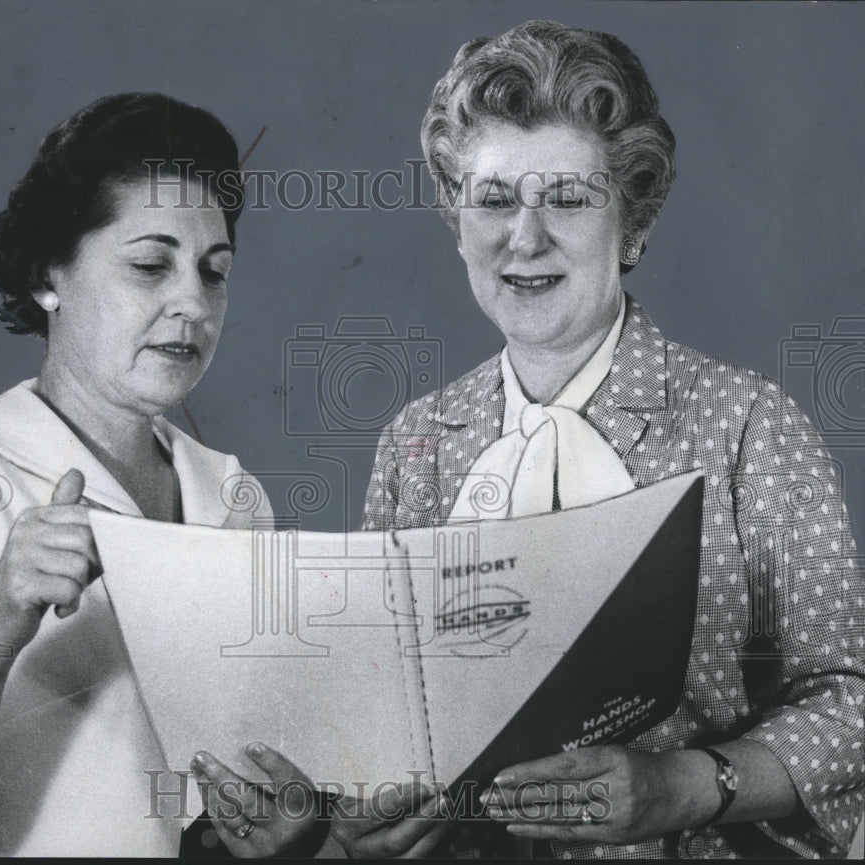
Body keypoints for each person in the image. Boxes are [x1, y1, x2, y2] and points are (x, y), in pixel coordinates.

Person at [343, 20, 865, 859]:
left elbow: (851, 703)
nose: (526, 236)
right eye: (495, 198)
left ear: (635, 220)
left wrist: (681, 786)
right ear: (456, 220)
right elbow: (378, 714)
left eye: (568, 199)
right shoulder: (416, 444)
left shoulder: (749, 428)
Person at [0, 93, 317, 858]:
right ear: (51, 276)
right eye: (150, 264)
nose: (193, 303)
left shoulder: (236, 495)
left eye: (214, 273)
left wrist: (290, 834)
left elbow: (201, 814)